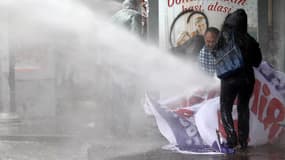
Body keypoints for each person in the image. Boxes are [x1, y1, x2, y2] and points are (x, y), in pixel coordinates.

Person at [214, 9, 262, 150]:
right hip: (247, 78)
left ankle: (231, 138)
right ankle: (243, 140)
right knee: (243, 108)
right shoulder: (250, 40)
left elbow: (215, 53)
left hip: (229, 78)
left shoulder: (224, 35)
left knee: (225, 107)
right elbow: (257, 62)